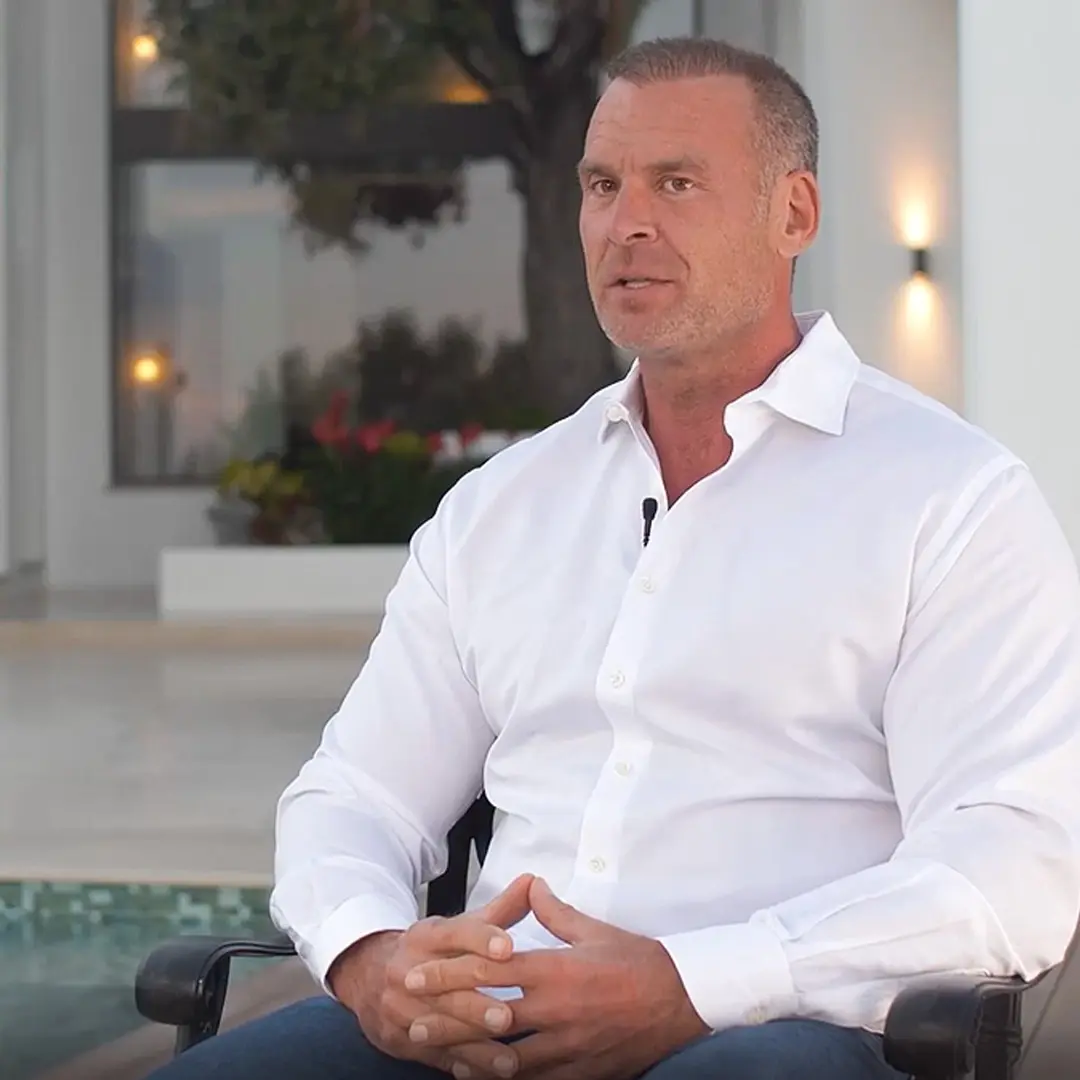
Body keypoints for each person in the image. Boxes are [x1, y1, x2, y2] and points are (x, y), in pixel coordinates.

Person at [149, 35, 1080, 1080]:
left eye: (677, 182)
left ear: (795, 214)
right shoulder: (500, 509)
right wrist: (370, 956)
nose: (625, 221)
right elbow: (354, 793)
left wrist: (695, 982)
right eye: (602, 184)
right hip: (481, 1024)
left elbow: (1011, 871)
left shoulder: (952, 501)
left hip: (764, 1033)